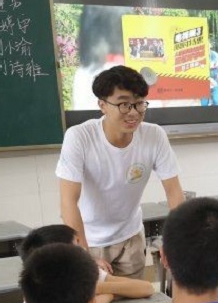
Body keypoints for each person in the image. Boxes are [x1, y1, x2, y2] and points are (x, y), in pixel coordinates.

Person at [57, 65, 185, 279]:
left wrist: (175, 240)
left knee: (133, 298)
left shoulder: (154, 135)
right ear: (103, 105)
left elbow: (174, 192)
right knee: (97, 298)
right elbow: (68, 201)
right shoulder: (79, 137)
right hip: (89, 240)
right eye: (124, 104)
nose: (134, 112)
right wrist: (83, 254)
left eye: (139, 103)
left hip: (131, 238)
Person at [18, 224, 153, 303]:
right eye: (77, 243)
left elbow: (147, 288)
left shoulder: (84, 270)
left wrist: (100, 289)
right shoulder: (44, 287)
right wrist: (112, 292)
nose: (84, 248)